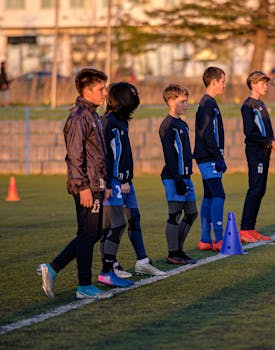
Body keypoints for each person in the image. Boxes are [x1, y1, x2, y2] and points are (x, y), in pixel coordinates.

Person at [37, 68, 112, 300]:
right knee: (88, 233)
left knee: (94, 232)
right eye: (101, 89)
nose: (105, 93)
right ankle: (84, 285)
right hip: (86, 185)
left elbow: (97, 155)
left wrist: (104, 183)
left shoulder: (92, 115)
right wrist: (83, 187)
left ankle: (53, 268)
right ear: (87, 90)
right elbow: (74, 156)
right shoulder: (79, 116)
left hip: (97, 184)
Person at [98, 82, 165, 289]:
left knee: (134, 218)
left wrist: (127, 179)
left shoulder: (122, 122)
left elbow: (123, 154)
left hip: (126, 181)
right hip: (114, 182)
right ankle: (110, 266)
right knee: (112, 225)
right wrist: (111, 181)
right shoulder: (107, 122)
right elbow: (106, 156)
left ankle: (142, 261)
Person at [239, 71, 275, 242]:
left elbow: (268, 129)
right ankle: (244, 230)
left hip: (264, 151)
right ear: (253, 84)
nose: (265, 86)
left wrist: (273, 142)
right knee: (255, 188)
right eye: (262, 83)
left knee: (261, 189)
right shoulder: (247, 106)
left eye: (266, 83)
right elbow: (249, 133)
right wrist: (269, 142)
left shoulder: (262, 104)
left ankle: (251, 228)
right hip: (255, 152)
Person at [159, 84, 198, 265]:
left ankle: (179, 250)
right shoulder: (168, 125)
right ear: (171, 101)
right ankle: (173, 253)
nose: (186, 105)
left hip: (186, 177)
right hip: (173, 177)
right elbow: (169, 155)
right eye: (182, 101)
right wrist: (177, 179)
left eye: (186, 101)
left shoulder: (183, 124)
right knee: (174, 214)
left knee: (191, 213)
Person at [194, 67, 227, 252]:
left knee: (209, 195)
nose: (224, 84)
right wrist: (218, 157)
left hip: (206, 156)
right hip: (208, 157)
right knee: (219, 195)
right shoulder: (208, 104)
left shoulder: (208, 103)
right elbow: (207, 133)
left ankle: (205, 239)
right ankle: (220, 238)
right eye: (222, 81)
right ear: (213, 82)